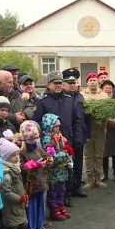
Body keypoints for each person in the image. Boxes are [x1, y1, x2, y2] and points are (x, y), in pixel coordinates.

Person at [35, 71, 85, 204]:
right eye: (55, 83)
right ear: (48, 85)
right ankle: (55, 199)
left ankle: (66, 195)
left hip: (68, 139)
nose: (58, 85)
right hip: (51, 143)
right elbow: (38, 123)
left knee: (68, 166)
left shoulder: (69, 100)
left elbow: (77, 120)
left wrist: (78, 138)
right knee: (55, 171)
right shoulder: (42, 102)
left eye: (60, 83)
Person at [18, 121, 53, 229]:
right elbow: (20, 167)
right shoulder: (21, 151)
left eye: (35, 138)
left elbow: (44, 155)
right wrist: (35, 165)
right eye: (30, 138)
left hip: (41, 183)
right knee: (31, 210)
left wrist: (49, 160)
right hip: (30, 186)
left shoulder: (38, 147)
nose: (33, 141)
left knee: (40, 208)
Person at [0, 137, 29, 229]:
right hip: (11, 205)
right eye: (13, 155)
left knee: (22, 224)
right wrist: (19, 198)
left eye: (17, 154)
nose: (17, 157)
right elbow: (6, 192)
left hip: (19, 203)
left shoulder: (16, 168)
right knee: (13, 226)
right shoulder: (6, 173)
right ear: (6, 157)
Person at [41, 113, 73, 221]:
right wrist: (65, 154)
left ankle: (61, 206)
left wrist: (68, 158)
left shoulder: (60, 137)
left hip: (62, 169)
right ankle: (54, 210)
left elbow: (63, 149)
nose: (57, 128)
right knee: (53, 191)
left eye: (58, 126)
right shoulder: (47, 139)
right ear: (49, 126)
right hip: (54, 171)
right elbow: (51, 156)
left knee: (61, 190)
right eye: (55, 126)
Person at [81, 73, 108, 190]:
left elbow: (108, 111)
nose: (92, 82)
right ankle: (89, 179)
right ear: (87, 82)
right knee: (88, 154)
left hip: (100, 128)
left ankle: (98, 179)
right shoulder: (81, 95)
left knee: (99, 153)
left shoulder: (104, 95)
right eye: (90, 80)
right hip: (87, 129)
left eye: (94, 80)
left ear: (98, 82)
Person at [100, 80, 115, 182]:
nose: (108, 90)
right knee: (105, 152)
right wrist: (108, 119)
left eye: (110, 88)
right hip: (104, 129)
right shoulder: (100, 100)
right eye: (106, 88)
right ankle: (105, 173)